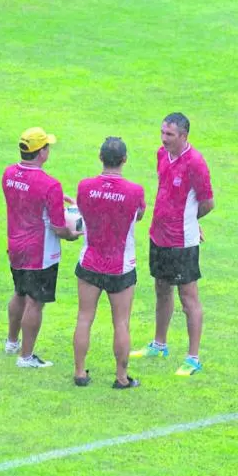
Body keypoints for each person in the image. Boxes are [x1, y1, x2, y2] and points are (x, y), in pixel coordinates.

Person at [131, 112, 214, 376]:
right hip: (159, 235)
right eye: (162, 133)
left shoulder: (196, 163)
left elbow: (208, 202)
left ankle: (193, 358)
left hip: (182, 242)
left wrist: (192, 220)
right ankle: (159, 344)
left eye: (170, 135)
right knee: (161, 289)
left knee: (188, 298)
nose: (164, 139)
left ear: (184, 136)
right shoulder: (161, 155)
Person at [2, 127, 80, 368]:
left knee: (19, 293)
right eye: (47, 146)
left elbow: (25, 196)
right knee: (35, 302)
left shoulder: (8, 173)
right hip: (40, 253)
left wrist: (55, 198)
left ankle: (11, 342)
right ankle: (26, 357)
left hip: (15, 246)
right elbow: (58, 227)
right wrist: (72, 235)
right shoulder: (49, 185)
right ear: (41, 152)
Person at [72, 137, 146, 389]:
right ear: (124, 160)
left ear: (100, 157)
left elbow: (82, 210)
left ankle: (80, 373)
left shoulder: (84, 186)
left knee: (84, 318)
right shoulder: (135, 191)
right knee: (121, 322)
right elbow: (139, 215)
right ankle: (121, 377)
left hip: (90, 262)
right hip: (121, 267)